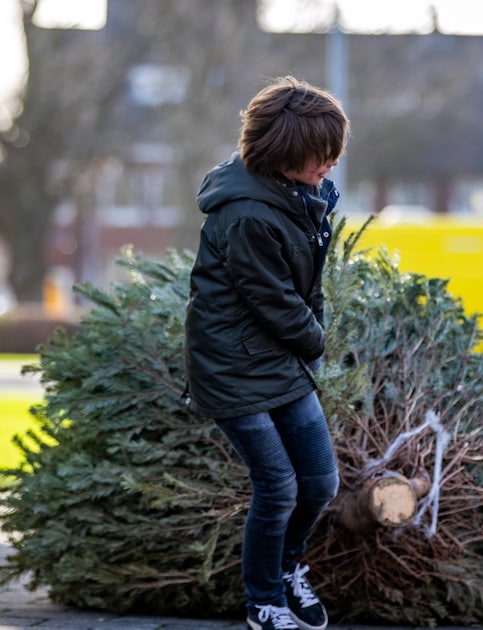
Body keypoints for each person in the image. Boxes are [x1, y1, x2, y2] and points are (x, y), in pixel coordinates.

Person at [183, 76, 348, 630]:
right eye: (320, 155)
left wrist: (311, 336)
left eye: (333, 153)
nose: (330, 164)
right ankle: (263, 602)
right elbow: (274, 300)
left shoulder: (303, 196)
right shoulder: (248, 213)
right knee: (277, 486)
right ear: (284, 153)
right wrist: (317, 339)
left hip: (278, 358)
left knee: (321, 482)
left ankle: (286, 570)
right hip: (231, 367)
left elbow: (307, 286)